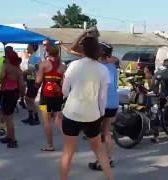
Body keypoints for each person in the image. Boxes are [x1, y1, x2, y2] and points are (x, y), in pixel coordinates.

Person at [60, 35, 113, 180]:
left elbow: (64, 90)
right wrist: (101, 114)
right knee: (99, 151)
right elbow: (102, 97)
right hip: (92, 115)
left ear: (83, 49)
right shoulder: (103, 70)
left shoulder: (73, 65)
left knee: (68, 152)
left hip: (71, 112)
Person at [88, 42, 118, 171]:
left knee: (94, 134)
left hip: (101, 104)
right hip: (113, 103)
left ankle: (100, 161)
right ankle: (109, 159)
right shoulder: (112, 67)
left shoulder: (96, 68)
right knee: (106, 132)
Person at [36, 45, 66, 151]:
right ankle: (68, 143)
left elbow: (38, 81)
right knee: (59, 120)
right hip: (58, 96)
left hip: (45, 96)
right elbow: (64, 83)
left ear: (48, 52)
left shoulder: (43, 65)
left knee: (47, 121)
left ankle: (49, 145)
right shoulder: (63, 66)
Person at [0, 51, 24, 148]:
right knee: (7, 115)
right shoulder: (18, 69)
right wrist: (22, 96)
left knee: (8, 118)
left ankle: (13, 139)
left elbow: (1, 77)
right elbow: (21, 85)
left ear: (9, 58)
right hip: (14, 93)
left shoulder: (6, 66)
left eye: (6, 57)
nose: (5, 59)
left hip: (6, 93)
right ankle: (9, 136)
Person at [21, 44, 41, 125]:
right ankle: (31, 116)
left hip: (33, 80)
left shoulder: (34, 57)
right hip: (31, 80)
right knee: (28, 99)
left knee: (30, 99)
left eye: (28, 47)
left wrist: (21, 73)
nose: (27, 48)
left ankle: (36, 118)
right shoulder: (34, 56)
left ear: (32, 47)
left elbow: (30, 70)